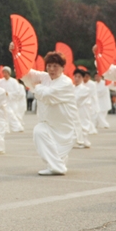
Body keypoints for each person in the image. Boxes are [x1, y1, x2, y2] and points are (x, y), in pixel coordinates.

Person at [18, 48, 79, 176]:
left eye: (55, 66)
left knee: (57, 150)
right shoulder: (43, 77)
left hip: (64, 127)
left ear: (62, 68)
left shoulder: (66, 82)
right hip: (47, 123)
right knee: (39, 131)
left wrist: (37, 86)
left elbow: (48, 96)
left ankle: (57, 166)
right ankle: (57, 165)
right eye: (49, 66)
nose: (51, 69)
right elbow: (25, 73)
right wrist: (16, 54)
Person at [0, 67, 25, 132]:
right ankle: (6, 128)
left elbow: (17, 92)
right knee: (5, 115)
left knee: (13, 115)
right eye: (3, 72)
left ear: (9, 73)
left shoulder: (14, 81)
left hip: (12, 101)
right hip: (4, 101)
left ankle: (17, 127)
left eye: (6, 72)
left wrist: (9, 94)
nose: (4, 74)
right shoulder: (0, 81)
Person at [71, 70, 92, 148]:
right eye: (75, 76)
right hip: (73, 110)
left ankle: (82, 141)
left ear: (83, 78)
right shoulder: (71, 88)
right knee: (73, 125)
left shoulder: (86, 89)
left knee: (83, 124)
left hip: (83, 110)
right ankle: (82, 141)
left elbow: (77, 99)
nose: (76, 78)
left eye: (79, 77)